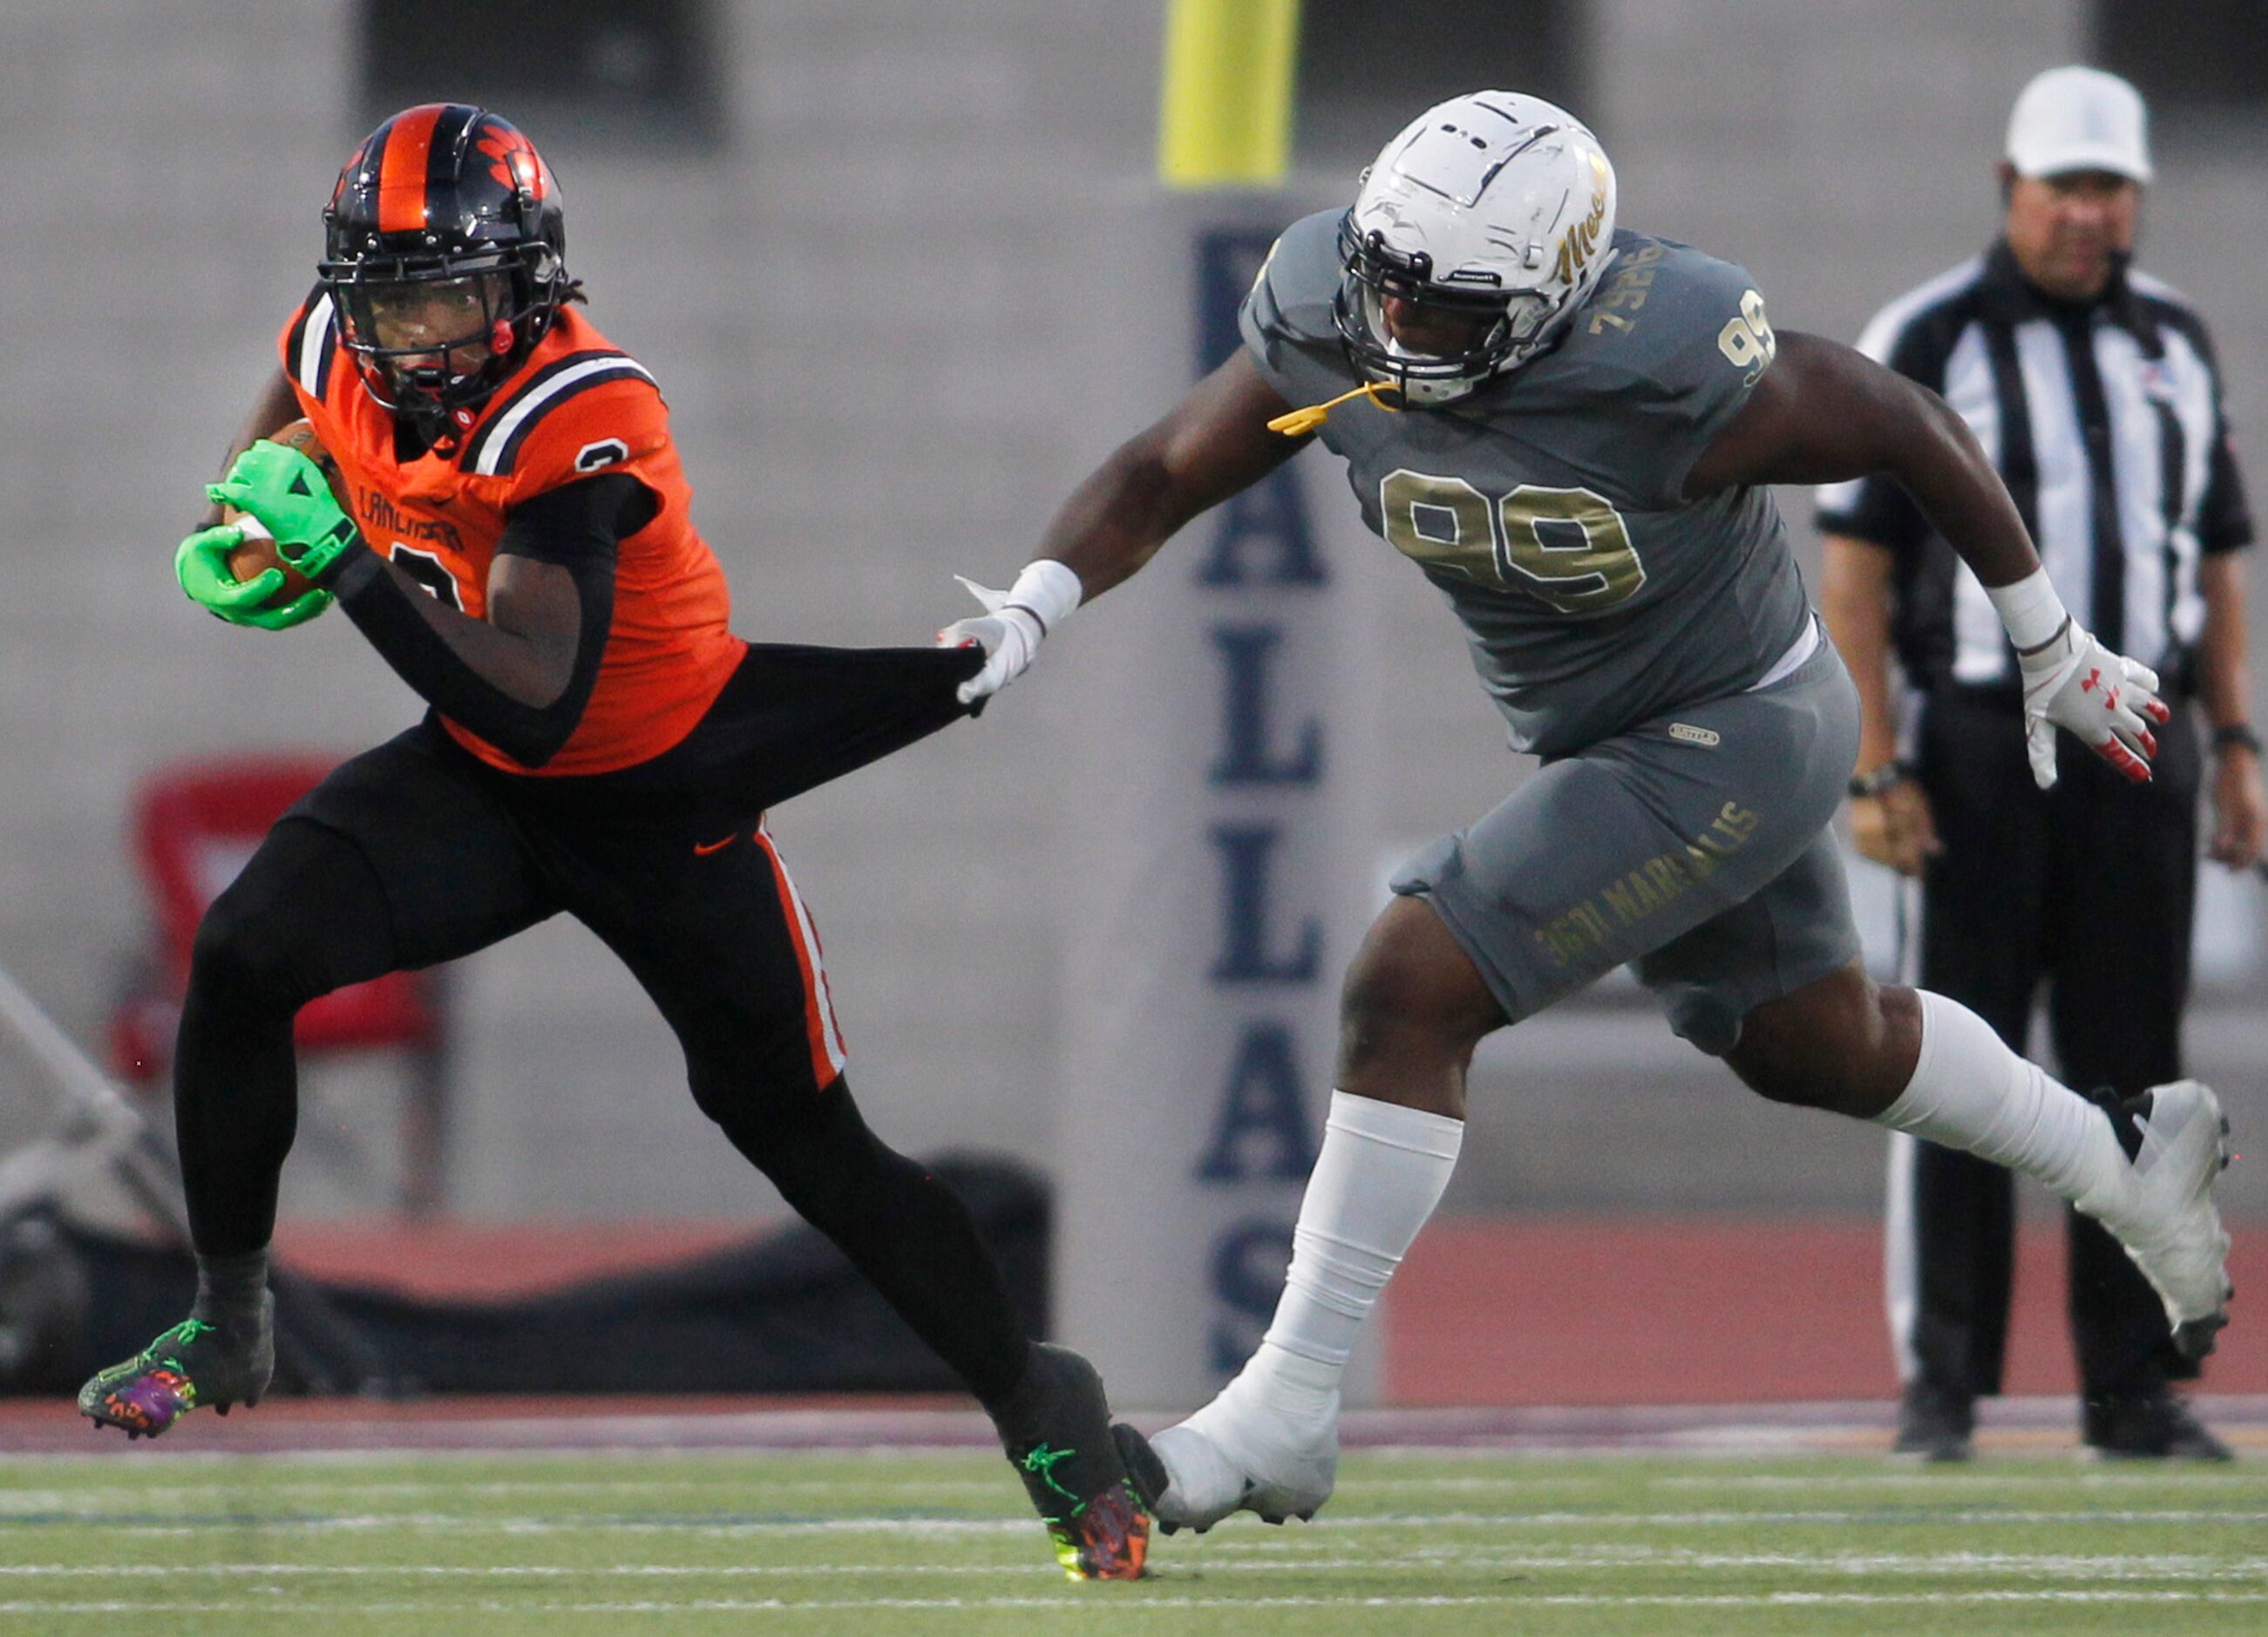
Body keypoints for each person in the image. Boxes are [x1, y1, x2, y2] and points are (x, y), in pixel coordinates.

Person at [937, 89, 2234, 1530]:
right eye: (1386, 284)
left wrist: (2048, 644)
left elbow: (1908, 424)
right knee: (1815, 1042)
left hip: (1742, 723)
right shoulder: (1328, 308)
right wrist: (1035, 607)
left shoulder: (1665, 363)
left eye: (1443, 306)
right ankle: (2119, 1156)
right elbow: (1163, 468)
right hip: (1611, 734)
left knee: (1409, 980)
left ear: (1551, 297)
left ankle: (1282, 1409)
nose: (1395, 327)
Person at [78, 104, 1149, 1582]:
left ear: (527, 285)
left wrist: (340, 566)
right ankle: (230, 1313)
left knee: (807, 1142)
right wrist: (244, 511)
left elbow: (535, 698)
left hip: (656, 791)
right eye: (387, 298)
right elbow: (301, 382)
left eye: (449, 295)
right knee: (248, 950)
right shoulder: (341, 343)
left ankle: (1044, 1406)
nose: (416, 333)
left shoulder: (582, 408)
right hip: (484, 785)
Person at [1817, 66, 2260, 1462]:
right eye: (2062, 185)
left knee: (2133, 1068)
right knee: (1956, 1063)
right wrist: (1872, 766)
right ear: (2007, 186)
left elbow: (2216, 555)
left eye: (2108, 187)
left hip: (2142, 746)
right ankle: (1940, 1387)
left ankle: (2129, 1392)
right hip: (1974, 749)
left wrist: (2237, 740)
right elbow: (1854, 572)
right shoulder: (1928, 334)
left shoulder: (2177, 339)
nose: (2086, 213)